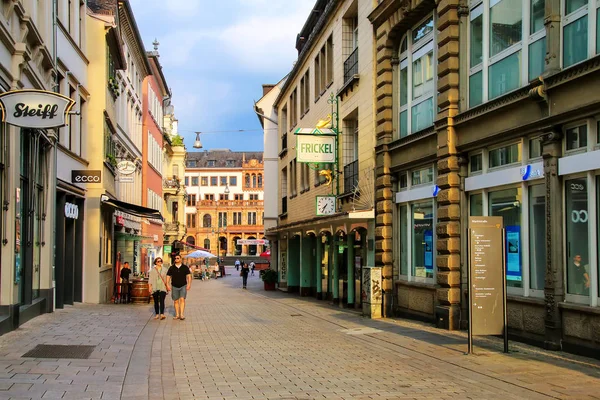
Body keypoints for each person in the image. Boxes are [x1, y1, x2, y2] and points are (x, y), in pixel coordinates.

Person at [166, 254, 191, 320]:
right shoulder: (171, 268)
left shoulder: (185, 267)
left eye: (177, 258)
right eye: (175, 258)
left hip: (183, 285)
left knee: (182, 299)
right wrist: (167, 284)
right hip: (174, 286)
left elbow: (189, 276)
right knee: (176, 301)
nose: (176, 259)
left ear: (180, 259)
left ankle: (182, 314)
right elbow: (168, 276)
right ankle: (177, 314)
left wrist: (189, 284)